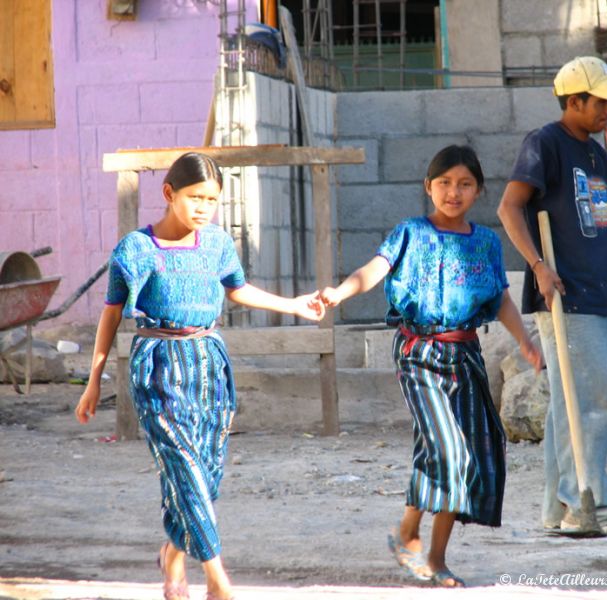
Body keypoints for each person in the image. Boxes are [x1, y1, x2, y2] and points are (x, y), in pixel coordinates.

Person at [74, 152, 324, 600]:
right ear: (169, 194)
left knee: (206, 474)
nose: (203, 208)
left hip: (209, 364)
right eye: (195, 198)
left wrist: (294, 305)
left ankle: (172, 552)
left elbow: (239, 289)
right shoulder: (136, 249)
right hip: (157, 366)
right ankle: (218, 579)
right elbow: (111, 315)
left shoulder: (217, 244)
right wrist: (94, 379)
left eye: (212, 200)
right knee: (183, 466)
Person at [318, 145, 542, 587]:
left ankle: (431, 554)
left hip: (466, 359)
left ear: (478, 190)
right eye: (444, 183)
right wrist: (340, 293)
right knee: (448, 451)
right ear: (428, 187)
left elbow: (500, 298)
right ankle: (410, 536)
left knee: (465, 452)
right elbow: (374, 269)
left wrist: (526, 342)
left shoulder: (486, 243)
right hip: (418, 353)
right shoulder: (410, 233)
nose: (453, 192)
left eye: (464, 184)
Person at [497, 56, 607, 536]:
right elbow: (509, 207)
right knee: (594, 401)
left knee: (572, 405)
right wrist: (539, 266)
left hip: (598, 295)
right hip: (567, 292)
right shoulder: (546, 144)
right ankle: (592, 504)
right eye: (601, 101)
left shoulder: (599, 154)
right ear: (574, 100)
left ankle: (559, 507)